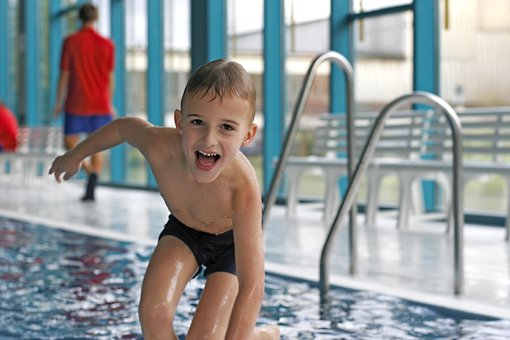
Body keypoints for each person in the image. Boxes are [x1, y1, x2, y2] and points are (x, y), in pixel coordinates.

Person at [49, 59, 280, 339]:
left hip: (229, 247)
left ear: (248, 135)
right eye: (198, 122)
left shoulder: (243, 189)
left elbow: (252, 285)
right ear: (180, 122)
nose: (209, 139)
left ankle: (263, 335)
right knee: (153, 313)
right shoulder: (161, 146)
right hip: (183, 231)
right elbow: (124, 128)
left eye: (227, 128)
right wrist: (75, 156)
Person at [53, 3, 115, 201]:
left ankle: (90, 173)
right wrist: (109, 101)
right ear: (95, 18)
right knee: (98, 145)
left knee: (69, 141)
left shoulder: (70, 42)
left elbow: (64, 74)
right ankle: (93, 177)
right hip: (100, 103)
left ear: (79, 18)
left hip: (77, 102)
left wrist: (58, 101)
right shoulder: (107, 44)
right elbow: (110, 77)